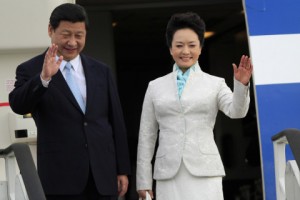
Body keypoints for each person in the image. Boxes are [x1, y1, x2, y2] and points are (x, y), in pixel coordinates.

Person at [9, 3, 130, 200]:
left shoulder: (101, 71)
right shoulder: (31, 69)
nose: (72, 42)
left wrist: (122, 169)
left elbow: (115, 122)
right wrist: (43, 79)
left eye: (79, 35)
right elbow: (18, 104)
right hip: (60, 178)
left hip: (102, 176)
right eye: (66, 34)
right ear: (51, 30)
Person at [136, 12, 253, 200]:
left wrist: (241, 85)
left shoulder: (215, 83)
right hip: (168, 174)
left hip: (205, 171)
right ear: (170, 48)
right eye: (179, 45)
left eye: (192, 45)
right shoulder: (155, 86)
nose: (185, 51)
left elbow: (237, 112)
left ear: (200, 48)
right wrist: (143, 181)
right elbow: (146, 135)